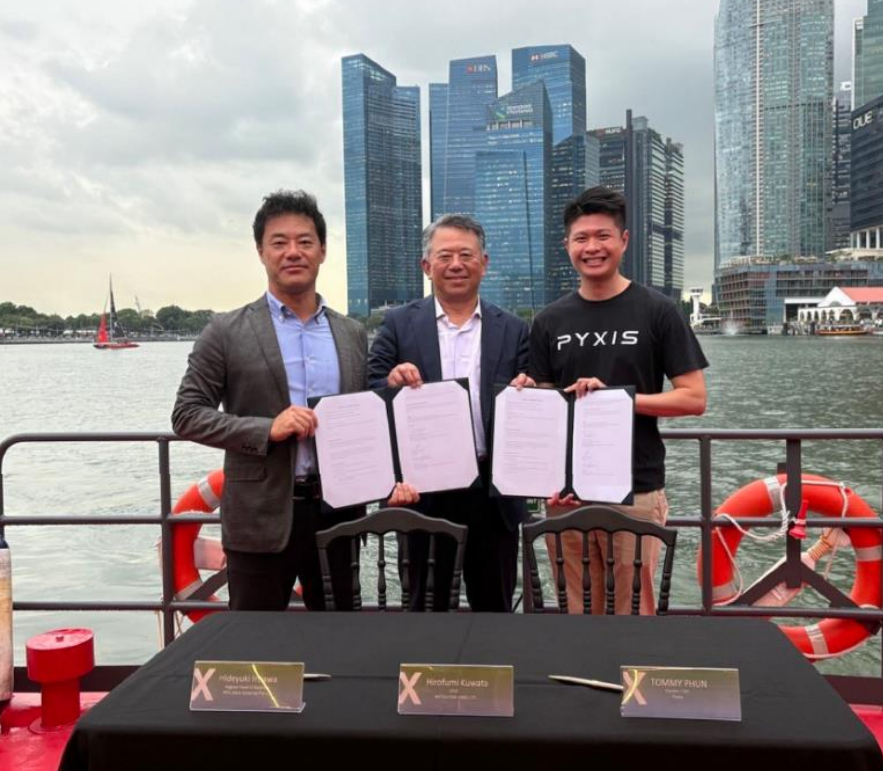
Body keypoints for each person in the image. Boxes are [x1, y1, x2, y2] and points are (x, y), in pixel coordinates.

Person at [172, 189, 415, 611]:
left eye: (305, 241)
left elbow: (364, 417)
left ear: (322, 251)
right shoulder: (225, 331)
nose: (293, 252)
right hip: (259, 517)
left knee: (338, 635)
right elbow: (187, 415)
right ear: (261, 252)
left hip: (339, 514)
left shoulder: (351, 333)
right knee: (258, 639)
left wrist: (391, 391)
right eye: (279, 242)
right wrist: (268, 428)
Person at [529, 186, 708, 615]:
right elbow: (545, 407)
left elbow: (694, 398)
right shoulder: (549, 320)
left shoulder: (658, 310)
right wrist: (526, 394)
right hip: (566, 493)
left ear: (624, 241)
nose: (592, 247)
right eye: (581, 238)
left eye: (603, 236)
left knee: (634, 613)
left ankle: (633, 665)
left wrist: (618, 401)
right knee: (575, 610)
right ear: (567, 246)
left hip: (635, 487)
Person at [368, 213, 533, 612]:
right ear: (427, 266)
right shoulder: (399, 324)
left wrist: (530, 389)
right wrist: (391, 381)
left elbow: (535, 393)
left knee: (494, 607)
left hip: (493, 492)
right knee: (425, 609)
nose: (456, 264)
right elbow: (370, 391)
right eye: (445, 256)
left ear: (484, 263)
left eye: (466, 255)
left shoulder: (514, 329)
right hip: (422, 490)